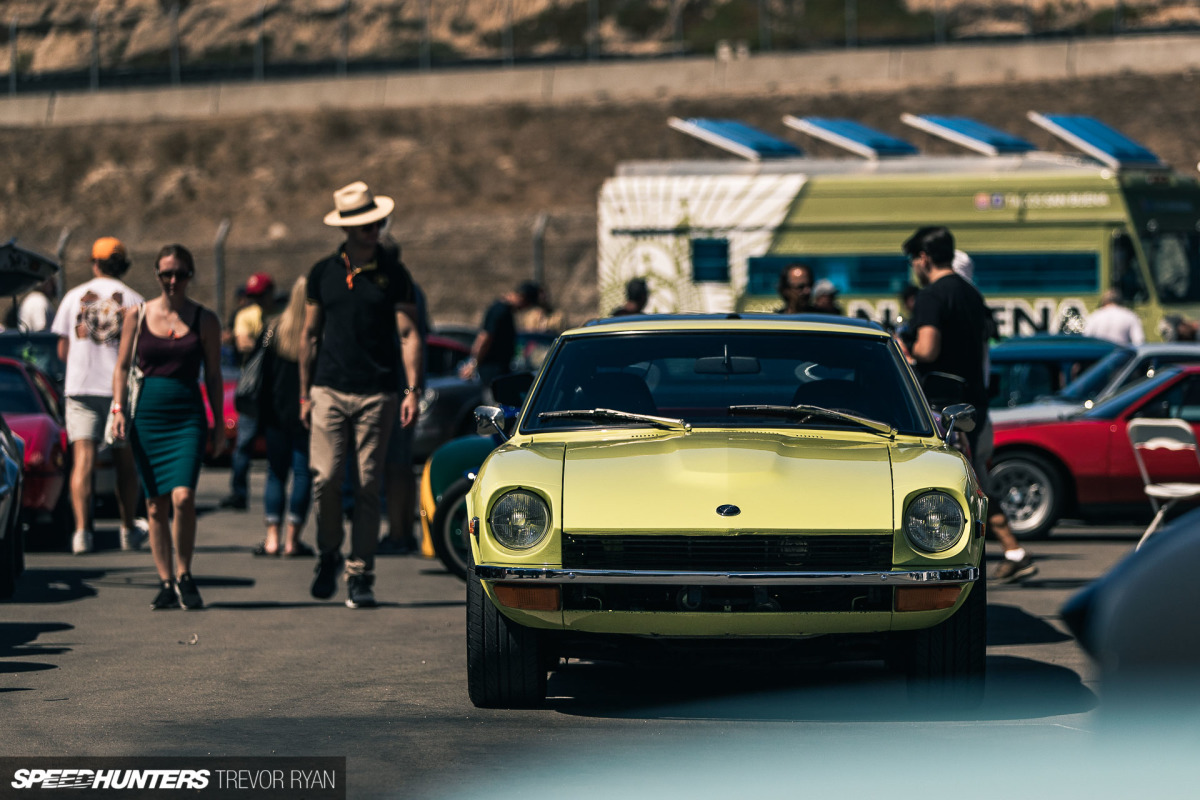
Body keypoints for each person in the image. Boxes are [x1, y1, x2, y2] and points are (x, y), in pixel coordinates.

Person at [301, 181, 423, 609]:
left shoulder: (395, 275)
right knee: (327, 479)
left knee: (370, 484)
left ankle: (360, 574)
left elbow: (409, 335)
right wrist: (304, 393)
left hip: (378, 393)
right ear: (347, 229)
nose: (374, 228)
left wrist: (411, 390)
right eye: (364, 224)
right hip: (328, 390)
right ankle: (329, 551)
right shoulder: (323, 273)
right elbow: (309, 336)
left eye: (376, 222)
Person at [903, 226, 1036, 584]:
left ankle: (960, 557)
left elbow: (927, 350)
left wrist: (907, 351)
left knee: (947, 482)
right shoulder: (972, 295)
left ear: (924, 258)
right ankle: (1011, 550)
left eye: (914, 259)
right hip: (973, 401)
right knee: (972, 476)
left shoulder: (931, 296)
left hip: (941, 404)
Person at [111, 244, 225, 610]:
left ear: (190, 275)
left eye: (180, 273)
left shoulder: (205, 320)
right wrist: (118, 410)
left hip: (187, 416)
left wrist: (219, 423)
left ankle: (185, 573)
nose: (173, 280)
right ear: (157, 276)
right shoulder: (137, 315)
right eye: (166, 274)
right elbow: (122, 367)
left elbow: (214, 375)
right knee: (156, 505)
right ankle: (165, 581)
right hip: (147, 415)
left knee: (183, 497)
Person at [50, 237, 147, 555]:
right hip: (120, 391)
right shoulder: (134, 300)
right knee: (124, 461)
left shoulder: (74, 296)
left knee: (83, 462)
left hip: (81, 387)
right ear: (124, 265)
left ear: (94, 262)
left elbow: (62, 348)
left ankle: (81, 533)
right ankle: (127, 527)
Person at [253, 276, 315, 558]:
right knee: (302, 473)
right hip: (306, 412)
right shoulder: (316, 333)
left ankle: (271, 539)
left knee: (275, 473)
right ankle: (293, 540)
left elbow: (261, 375)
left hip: (275, 413)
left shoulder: (274, 328)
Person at [379, 280, 431, 556]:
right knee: (400, 463)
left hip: (398, 386)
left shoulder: (396, 289)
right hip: (406, 386)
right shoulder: (413, 290)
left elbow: (410, 336)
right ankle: (403, 532)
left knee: (395, 464)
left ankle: (399, 533)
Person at [220, 272, 276, 511]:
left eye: (260, 295)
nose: (257, 300)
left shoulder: (277, 316)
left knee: (274, 443)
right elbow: (243, 342)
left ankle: (274, 494)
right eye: (253, 296)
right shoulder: (248, 316)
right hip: (254, 385)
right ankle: (239, 492)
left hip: (272, 384)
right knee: (245, 441)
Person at [459, 280, 540, 388]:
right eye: (527, 304)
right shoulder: (500, 311)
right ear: (522, 298)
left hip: (498, 371)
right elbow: (485, 337)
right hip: (491, 372)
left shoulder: (505, 311)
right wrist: (473, 363)